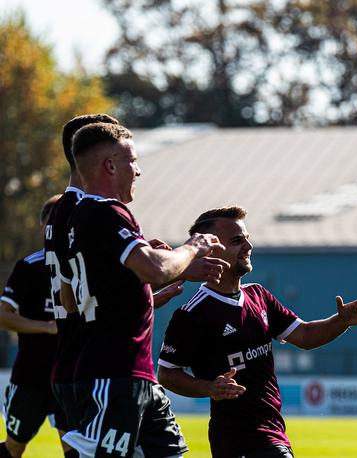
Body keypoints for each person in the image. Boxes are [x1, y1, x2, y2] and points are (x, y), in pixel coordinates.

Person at [157, 206, 357, 458]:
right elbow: (167, 374)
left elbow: (306, 336)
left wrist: (341, 321)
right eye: (237, 241)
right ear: (210, 252)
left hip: (274, 432)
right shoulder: (192, 314)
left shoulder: (259, 296)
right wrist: (209, 388)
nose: (248, 247)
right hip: (237, 439)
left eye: (247, 239)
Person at [61, 122, 225, 457]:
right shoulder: (106, 212)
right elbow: (155, 267)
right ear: (110, 166)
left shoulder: (75, 218)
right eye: (132, 161)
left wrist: (144, 288)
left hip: (135, 373)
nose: (138, 170)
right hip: (113, 372)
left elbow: (70, 298)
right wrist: (193, 246)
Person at [44, 114, 122, 451]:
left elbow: (75, 287)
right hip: (88, 362)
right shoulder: (83, 208)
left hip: (72, 358)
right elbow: (74, 295)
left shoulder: (61, 209)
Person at [0, 196, 66, 458]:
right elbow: (3, 316)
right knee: (15, 446)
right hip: (31, 376)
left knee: (75, 448)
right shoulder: (29, 267)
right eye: (54, 221)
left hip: (71, 376)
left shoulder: (89, 268)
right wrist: (47, 327)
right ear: (44, 227)